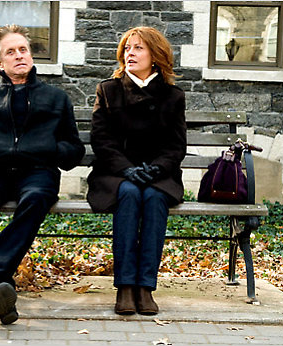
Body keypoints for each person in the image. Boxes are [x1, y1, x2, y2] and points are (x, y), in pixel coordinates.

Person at [0, 24, 84, 324]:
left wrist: (51, 149)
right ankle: (1, 294)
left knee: (38, 198)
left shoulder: (56, 99)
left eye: (23, 50)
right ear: (0, 63)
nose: (19, 56)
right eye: (10, 52)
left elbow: (74, 149)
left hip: (38, 171)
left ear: (32, 56)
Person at [86, 27, 187, 316]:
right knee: (129, 193)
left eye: (138, 48)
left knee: (155, 198)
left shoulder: (173, 96)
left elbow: (176, 145)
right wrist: (128, 170)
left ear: (156, 56)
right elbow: (101, 140)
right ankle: (125, 287)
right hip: (115, 173)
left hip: (159, 174)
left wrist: (156, 169)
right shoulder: (108, 90)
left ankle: (145, 287)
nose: (130, 53)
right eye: (127, 48)